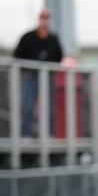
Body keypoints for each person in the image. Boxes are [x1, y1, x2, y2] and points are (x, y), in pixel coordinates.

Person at [13, 9, 64, 137]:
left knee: (49, 108)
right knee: (27, 106)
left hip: (47, 77)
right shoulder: (27, 37)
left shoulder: (53, 39)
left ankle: (49, 134)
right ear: (38, 19)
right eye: (42, 17)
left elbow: (59, 57)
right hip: (30, 76)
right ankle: (26, 135)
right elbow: (17, 55)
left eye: (46, 17)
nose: (44, 20)